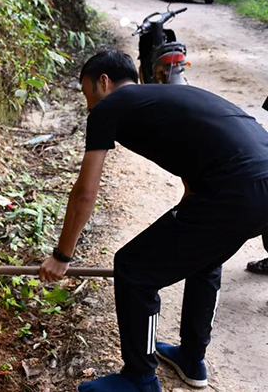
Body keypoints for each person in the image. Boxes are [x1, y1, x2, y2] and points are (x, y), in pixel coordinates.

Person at [39, 50, 268, 392]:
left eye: (88, 94)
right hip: (260, 185)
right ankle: (191, 358)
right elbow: (198, 165)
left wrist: (61, 256)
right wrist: (187, 222)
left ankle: (139, 378)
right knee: (204, 258)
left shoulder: (110, 107)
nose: (89, 106)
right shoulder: (164, 99)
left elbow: (85, 193)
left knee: (133, 268)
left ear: (104, 82)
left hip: (235, 189)